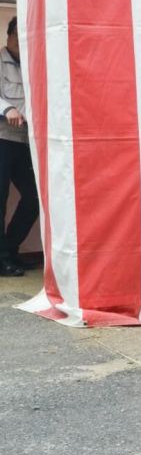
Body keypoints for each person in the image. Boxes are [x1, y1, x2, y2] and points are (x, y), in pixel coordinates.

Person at [0, 16, 39, 277]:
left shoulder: (34, 62)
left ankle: (9, 250)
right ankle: (4, 259)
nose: (20, 41)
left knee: (35, 197)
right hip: (2, 138)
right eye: (17, 35)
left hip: (26, 140)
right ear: (9, 36)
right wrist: (8, 107)